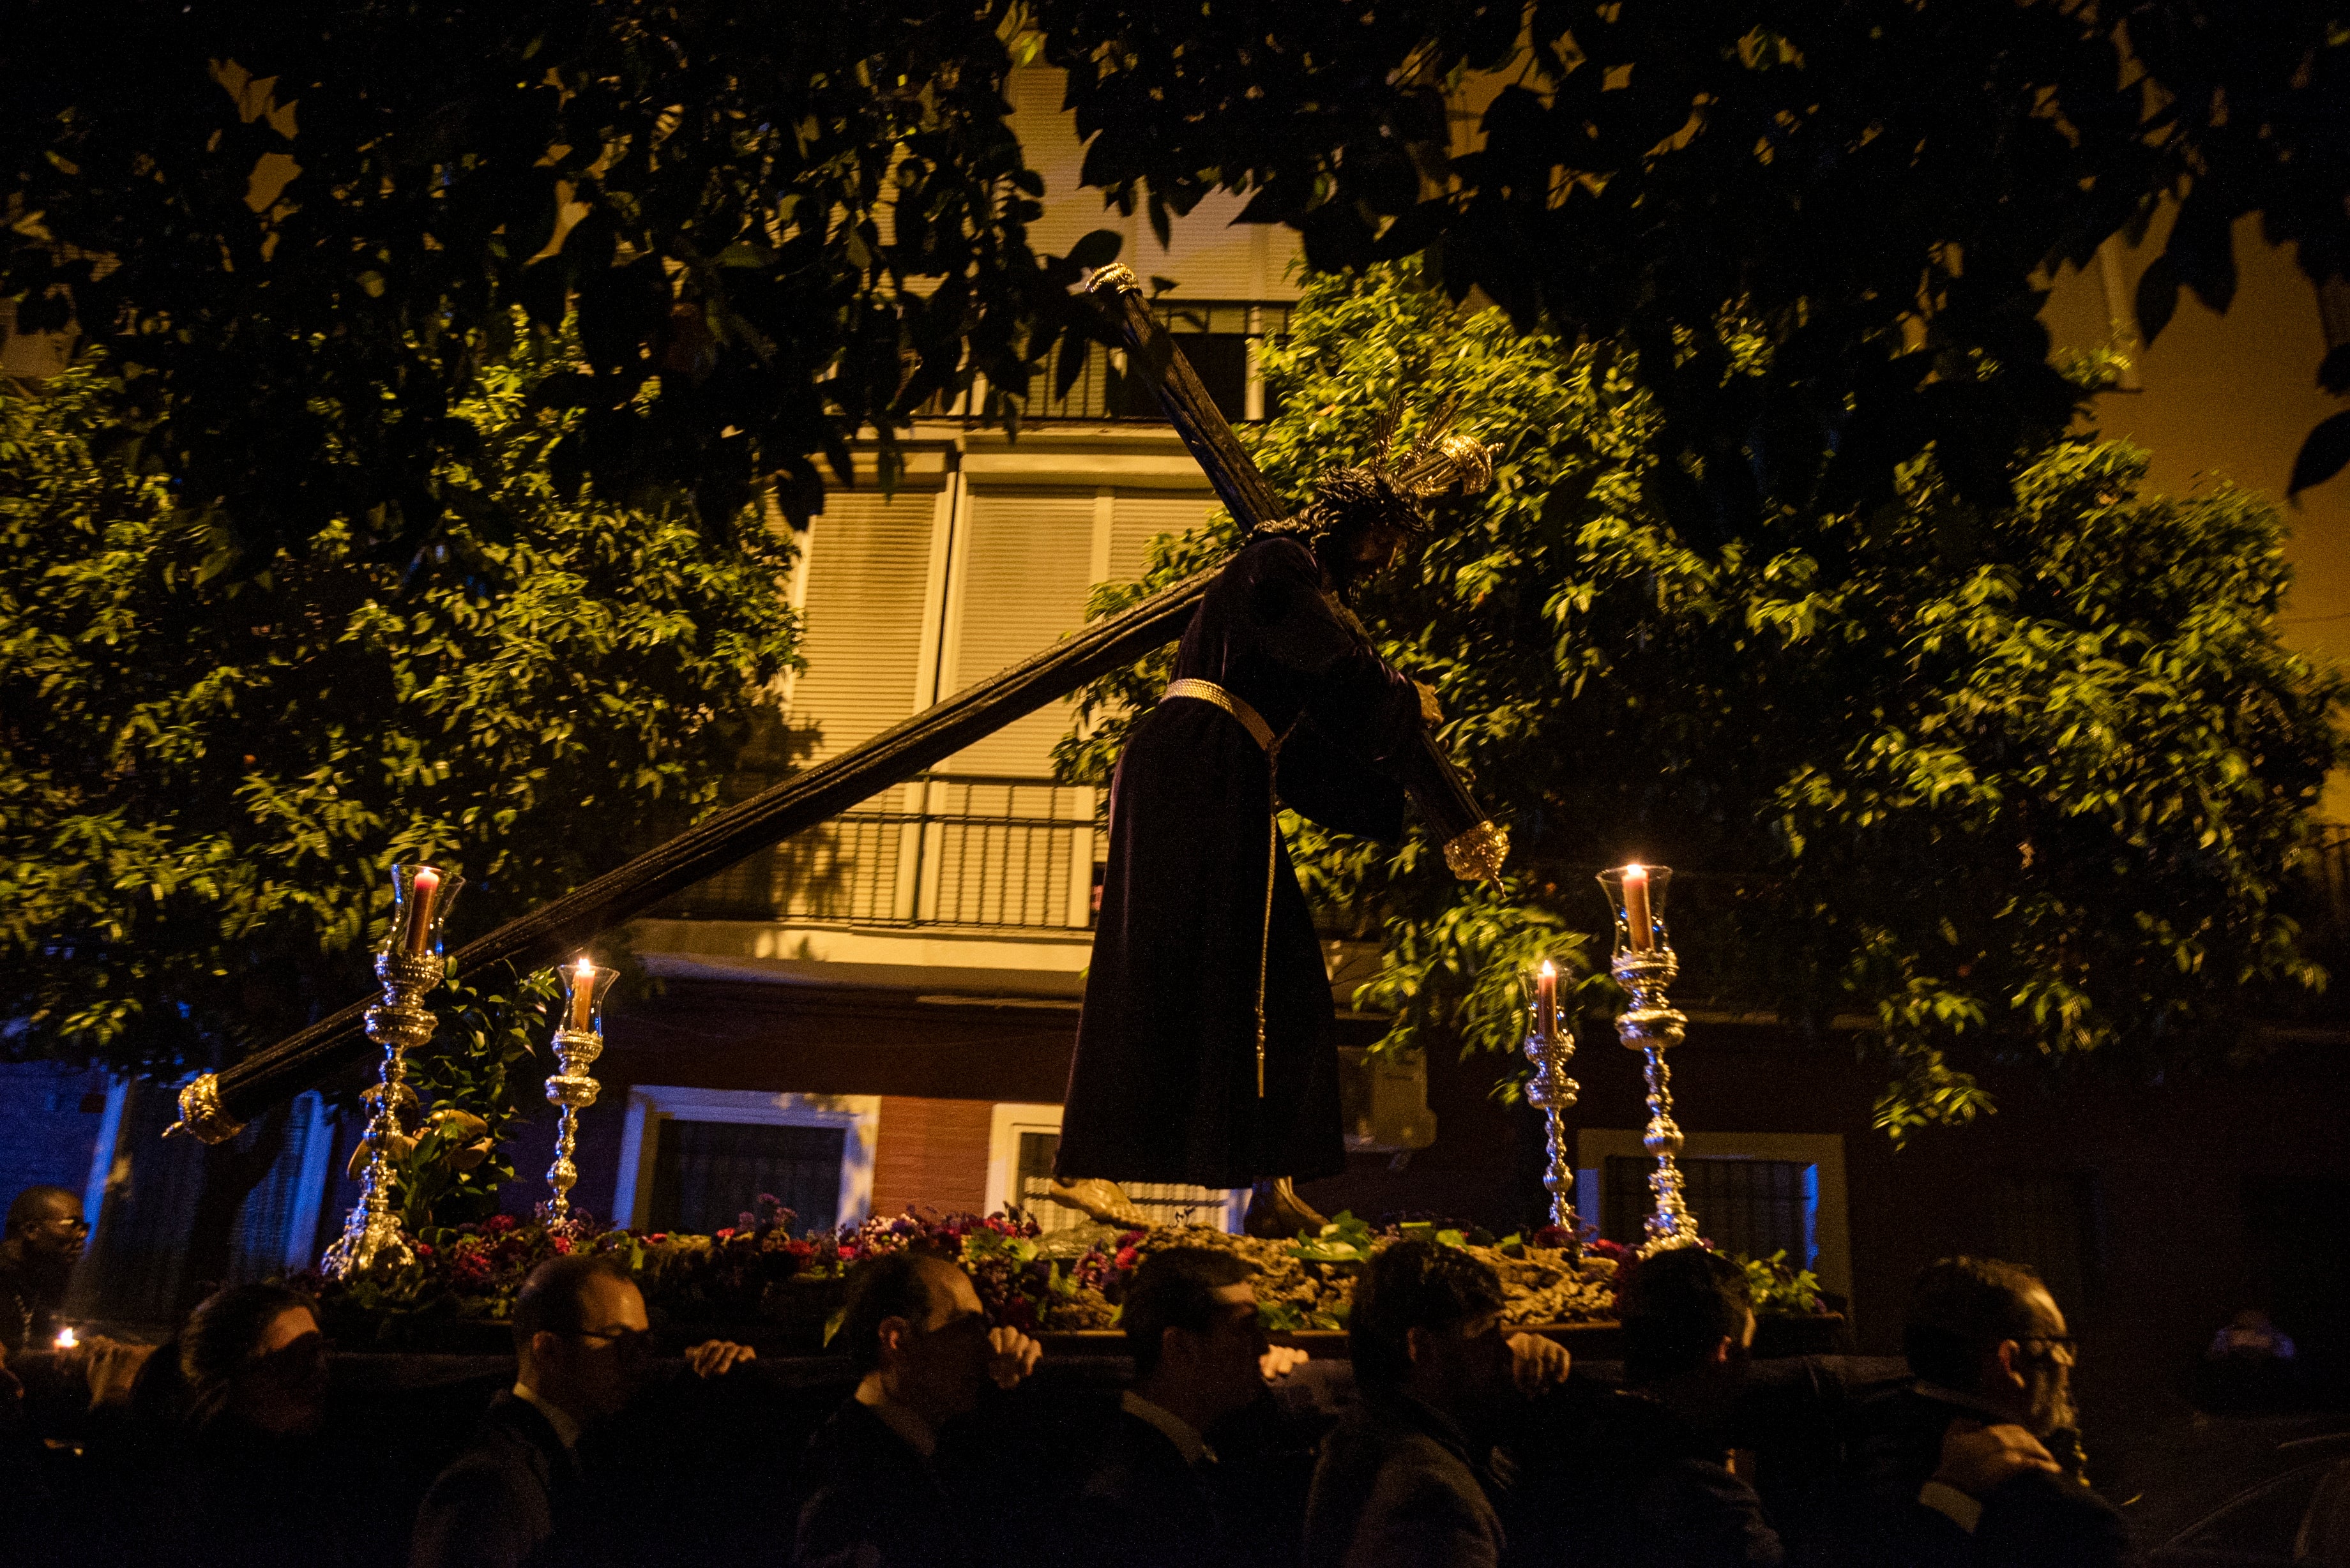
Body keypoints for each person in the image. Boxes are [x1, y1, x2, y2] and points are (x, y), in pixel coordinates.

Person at [1053, 419, 1505, 1239]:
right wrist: (1405, 698)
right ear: (1358, 523)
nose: (1392, 556)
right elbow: (1344, 673)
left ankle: (1273, 1179)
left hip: (1233, 772)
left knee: (1288, 978)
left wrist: (1408, 805)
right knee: (1155, 955)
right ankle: (1090, 1163)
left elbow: (1318, 734)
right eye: (1389, 536)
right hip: (1191, 764)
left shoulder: (1309, 608)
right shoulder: (1276, 562)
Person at [411, 1254, 754, 1568]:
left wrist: (723, 1367)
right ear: (548, 1350)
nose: (638, 1361)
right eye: (618, 1341)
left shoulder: (581, 1443)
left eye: (643, 1343)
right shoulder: (488, 1484)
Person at [1845, 1255, 2132, 1567]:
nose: (2068, 1361)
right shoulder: (2077, 1523)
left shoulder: (1848, 1429)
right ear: (2009, 1360)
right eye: (2058, 1343)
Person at [1303, 1239, 1565, 1568]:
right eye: (1487, 1333)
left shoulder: (1357, 1439)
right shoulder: (1431, 1498)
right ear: (1422, 1348)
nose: (1506, 1351)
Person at [1040, 1246, 1292, 1568]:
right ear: (1179, 1347)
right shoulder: (1126, 1499)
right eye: (1244, 1329)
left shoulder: (1182, 1450)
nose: (1262, 1346)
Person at [792, 1249, 1043, 1568]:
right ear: (897, 1340)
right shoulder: (849, 1473)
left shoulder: (921, 1443)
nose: (985, 1347)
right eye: (966, 1327)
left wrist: (1012, 1385)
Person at [0, 1185, 87, 1354]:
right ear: (31, 1229)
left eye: (84, 1227)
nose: (82, 1235)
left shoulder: (40, 1281)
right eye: (73, 1225)